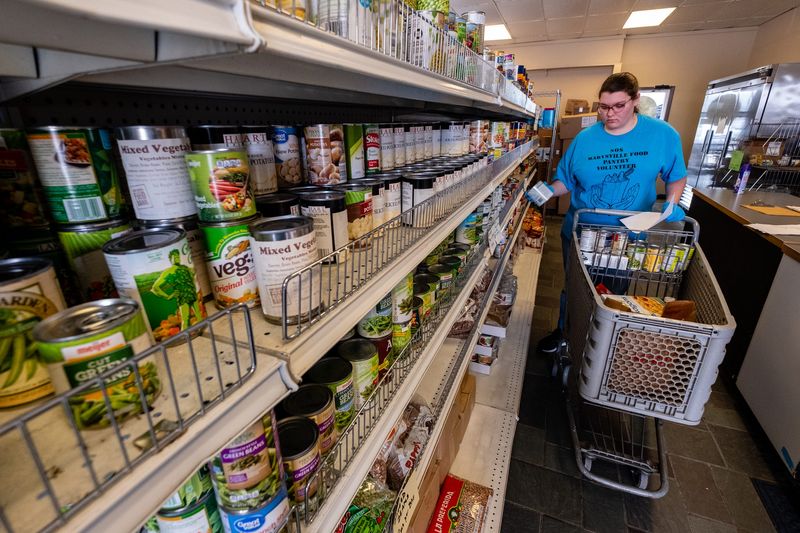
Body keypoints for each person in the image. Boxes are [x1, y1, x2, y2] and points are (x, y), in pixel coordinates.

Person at [526, 72, 688, 353]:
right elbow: (566, 180)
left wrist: (672, 203)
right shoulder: (584, 139)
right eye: (603, 107)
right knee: (575, 286)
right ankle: (565, 333)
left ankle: (603, 341)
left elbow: (676, 176)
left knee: (613, 289)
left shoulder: (662, 135)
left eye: (618, 106)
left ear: (635, 100)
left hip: (626, 235)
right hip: (582, 231)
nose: (609, 114)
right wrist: (543, 192)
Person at [151, 248, 205, 331]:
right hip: (182, 297)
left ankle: (202, 330)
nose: (177, 258)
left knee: (199, 315)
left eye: (178, 257)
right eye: (175, 257)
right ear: (170, 259)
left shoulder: (185, 268)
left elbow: (192, 278)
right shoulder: (169, 271)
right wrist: (168, 296)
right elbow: (155, 287)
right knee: (185, 319)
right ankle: (185, 337)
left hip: (192, 294)